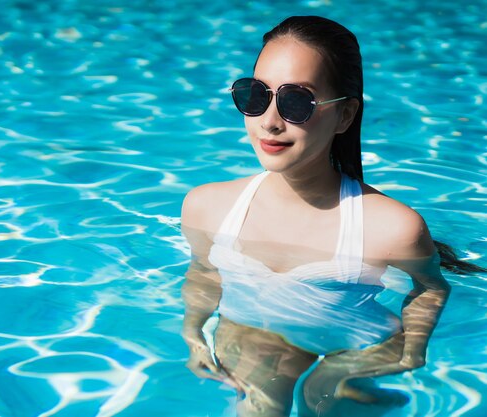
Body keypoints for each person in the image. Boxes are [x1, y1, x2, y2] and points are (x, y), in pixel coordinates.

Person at [179, 15, 481, 417]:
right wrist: (194, 334)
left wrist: (402, 354)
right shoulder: (206, 206)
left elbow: (430, 288)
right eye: (256, 95)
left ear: (345, 115)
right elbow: (205, 272)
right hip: (254, 333)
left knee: (322, 404)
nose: (269, 121)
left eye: (296, 102)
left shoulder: (392, 228)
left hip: (352, 346)